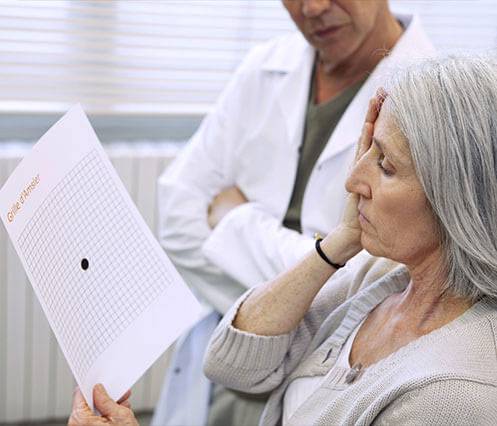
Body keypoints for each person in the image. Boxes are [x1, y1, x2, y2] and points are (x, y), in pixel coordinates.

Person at [68, 53, 497, 425]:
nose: (352, 179)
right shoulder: (381, 277)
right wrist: (341, 241)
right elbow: (233, 364)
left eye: (384, 165)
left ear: (457, 197)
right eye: (367, 151)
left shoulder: (452, 395)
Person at [153, 1, 434, 424]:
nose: (313, 7)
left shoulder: (439, 102)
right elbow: (176, 220)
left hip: (326, 390)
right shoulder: (263, 67)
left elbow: (388, 285)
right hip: (222, 370)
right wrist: (320, 271)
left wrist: (236, 221)